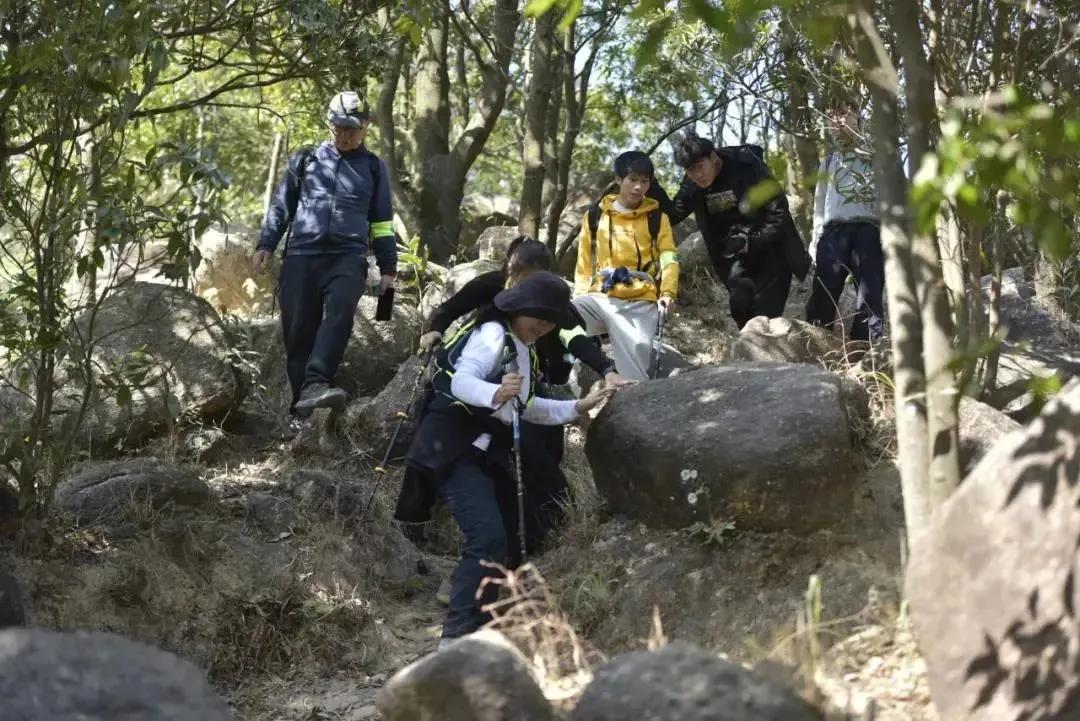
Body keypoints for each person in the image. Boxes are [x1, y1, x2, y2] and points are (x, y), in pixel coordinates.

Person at [405, 271, 616, 648]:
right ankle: (454, 639)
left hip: (486, 453)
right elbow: (462, 382)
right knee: (487, 538)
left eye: (551, 320)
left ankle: (478, 629)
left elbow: (526, 407)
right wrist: (496, 393)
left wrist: (577, 406)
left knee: (504, 539)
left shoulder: (522, 348)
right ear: (519, 308)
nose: (544, 326)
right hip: (454, 448)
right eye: (539, 316)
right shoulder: (492, 334)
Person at [397, 237, 625, 568]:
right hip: (474, 390)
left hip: (525, 385)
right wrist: (435, 329)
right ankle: (414, 523)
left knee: (537, 459)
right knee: (430, 451)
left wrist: (606, 369)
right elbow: (453, 308)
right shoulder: (492, 300)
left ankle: (535, 537)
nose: (528, 286)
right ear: (511, 271)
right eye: (523, 277)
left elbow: (574, 337)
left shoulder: (551, 304)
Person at [252, 90, 396, 419]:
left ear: (366, 127)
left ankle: (317, 381)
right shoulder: (306, 160)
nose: (345, 136)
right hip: (301, 256)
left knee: (339, 315)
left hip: (347, 257)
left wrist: (389, 268)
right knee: (298, 330)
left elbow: (382, 223)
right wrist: (266, 244)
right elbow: (281, 206)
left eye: (352, 129)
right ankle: (302, 410)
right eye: (339, 128)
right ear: (329, 125)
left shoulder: (374, 168)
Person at [669, 136, 811, 329]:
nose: (698, 175)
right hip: (734, 256)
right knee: (740, 307)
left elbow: (778, 210)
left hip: (771, 249)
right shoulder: (692, 184)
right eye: (690, 170)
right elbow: (673, 213)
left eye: (701, 166)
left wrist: (753, 241)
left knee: (765, 313)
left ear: (713, 157)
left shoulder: (746, 166)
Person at [573, 151, 680, 381]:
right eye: (633, 180)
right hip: (601, 297)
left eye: (644, 181)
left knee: (633, 378)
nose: (638, 187)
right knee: (564, 317)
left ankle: (632, 400)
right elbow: (584, 261)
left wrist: (668, 292)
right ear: (618, 179)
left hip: (640, 299)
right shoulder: (595, 215)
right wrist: (580, 294)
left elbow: (669, 257)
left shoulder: (657, 218)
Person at [805, 102, 884, 343]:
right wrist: (816, 238)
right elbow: (820, 202)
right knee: (824, 291)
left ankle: (866, 350)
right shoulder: (829, 160)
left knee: (869, 293)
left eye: (842, 114)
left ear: (857, 116)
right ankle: (815, 343)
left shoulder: (876, 154)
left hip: (869, 229)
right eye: (830, 116)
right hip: (833, 231)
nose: (836, 121)